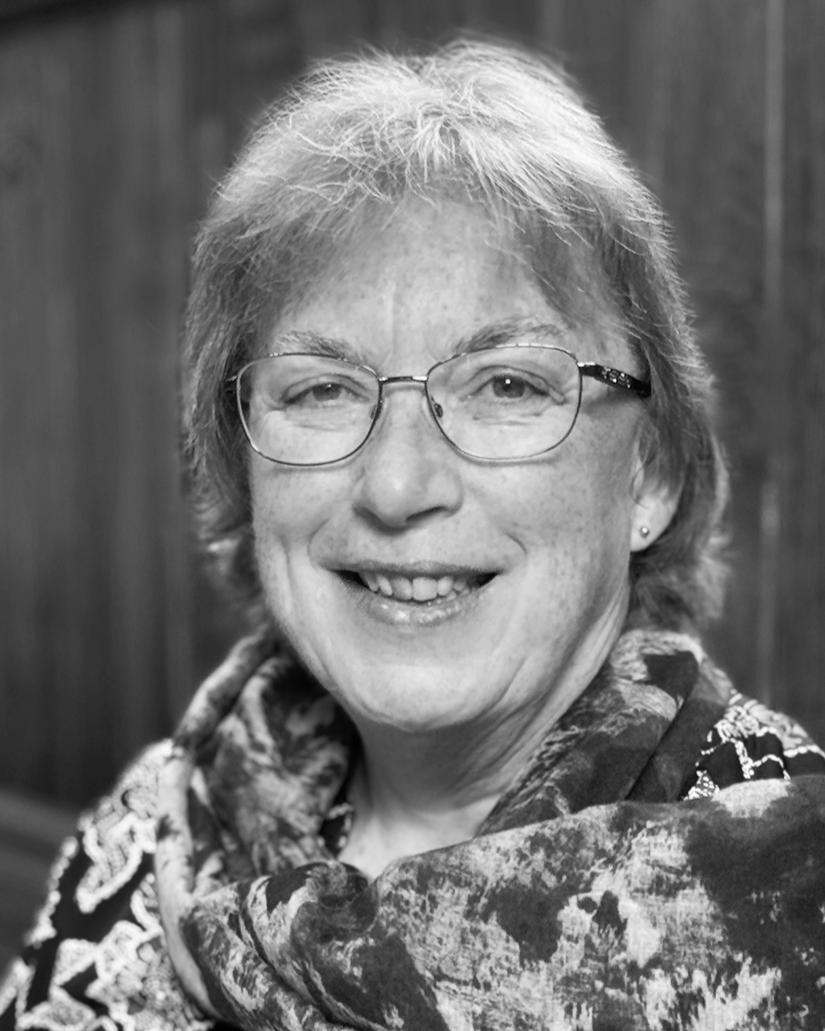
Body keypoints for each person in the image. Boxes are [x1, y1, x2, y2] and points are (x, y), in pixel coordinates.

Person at [2, 37, 825, 1031]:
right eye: (321, 389)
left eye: (509, 384)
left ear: (648, 473)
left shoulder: (788, 886)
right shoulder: (163, 821)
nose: (396, 484)